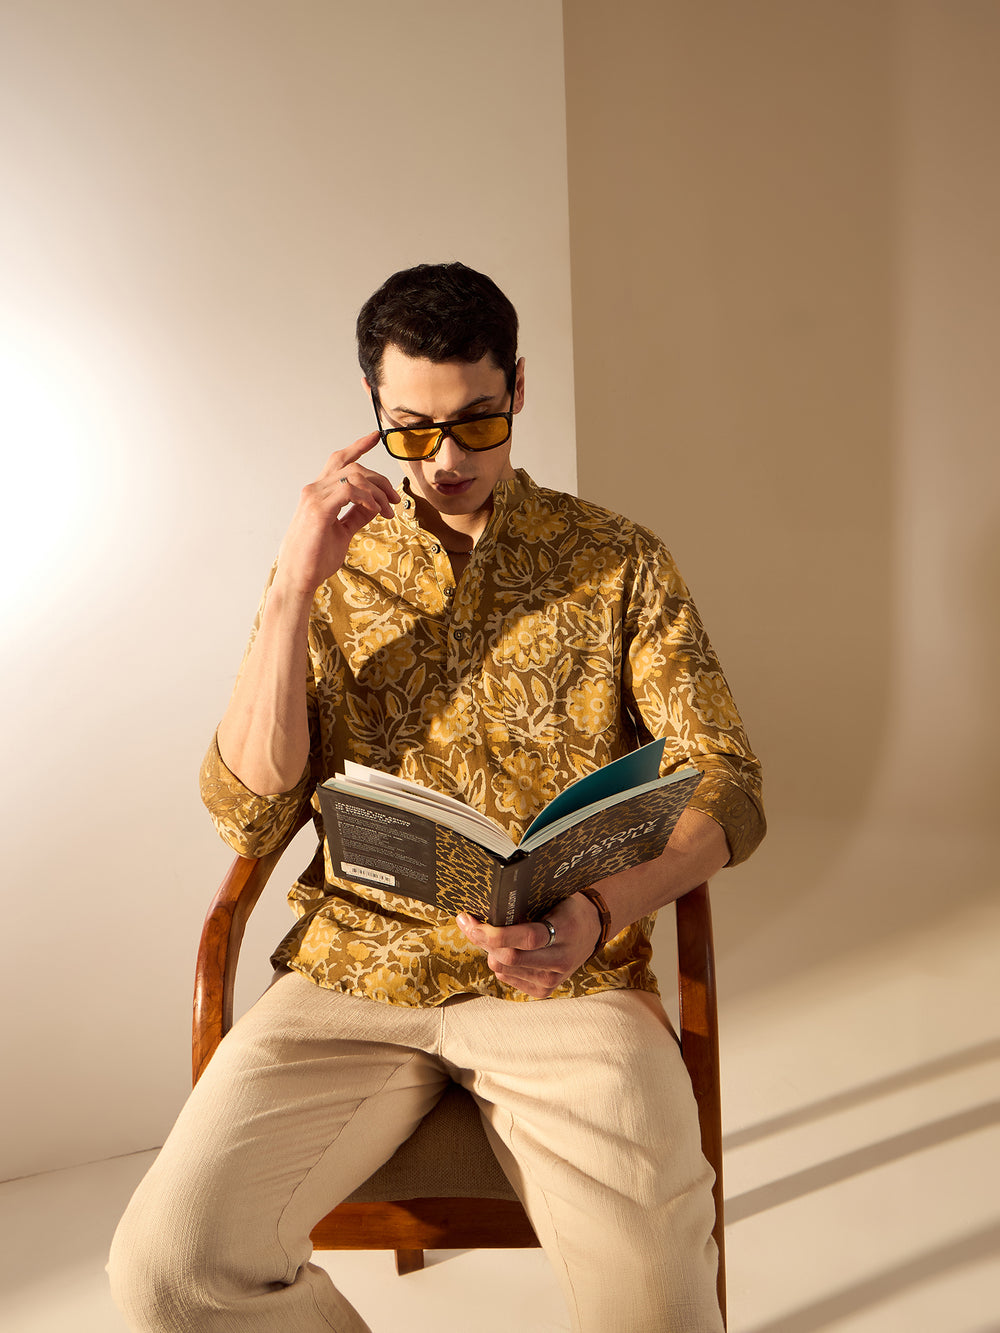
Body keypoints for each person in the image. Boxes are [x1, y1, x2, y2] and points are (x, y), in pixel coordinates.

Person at [109, 262, 764, 1332]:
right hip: (352, 977)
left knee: (658, 1308)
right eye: (411, 430)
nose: (448, 460)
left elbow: (728, 779)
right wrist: (294, 586)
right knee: (166, 1273)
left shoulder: (619, 561)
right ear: (372, 409)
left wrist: (599, 910)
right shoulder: (329, 568)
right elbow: (250, 812)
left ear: (520, 388)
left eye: (478, 421)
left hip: (568, 980)